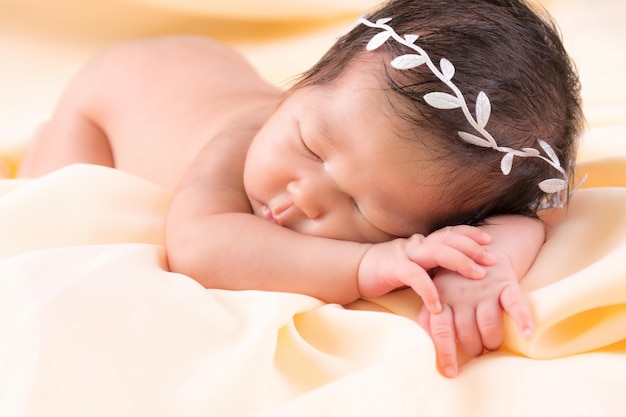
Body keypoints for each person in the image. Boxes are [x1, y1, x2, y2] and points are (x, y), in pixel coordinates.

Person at [17, 0, 582, 378]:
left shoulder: (409, 171)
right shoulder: (237, 141)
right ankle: (49, 138)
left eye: (367, 207)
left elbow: (521, 221)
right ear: (303, 83)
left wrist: (489, 268)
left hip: (198, 65)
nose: (306, 194)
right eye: (310, 144)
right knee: (56, 207)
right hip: (111, 96)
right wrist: (372, 261)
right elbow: (199, 246)